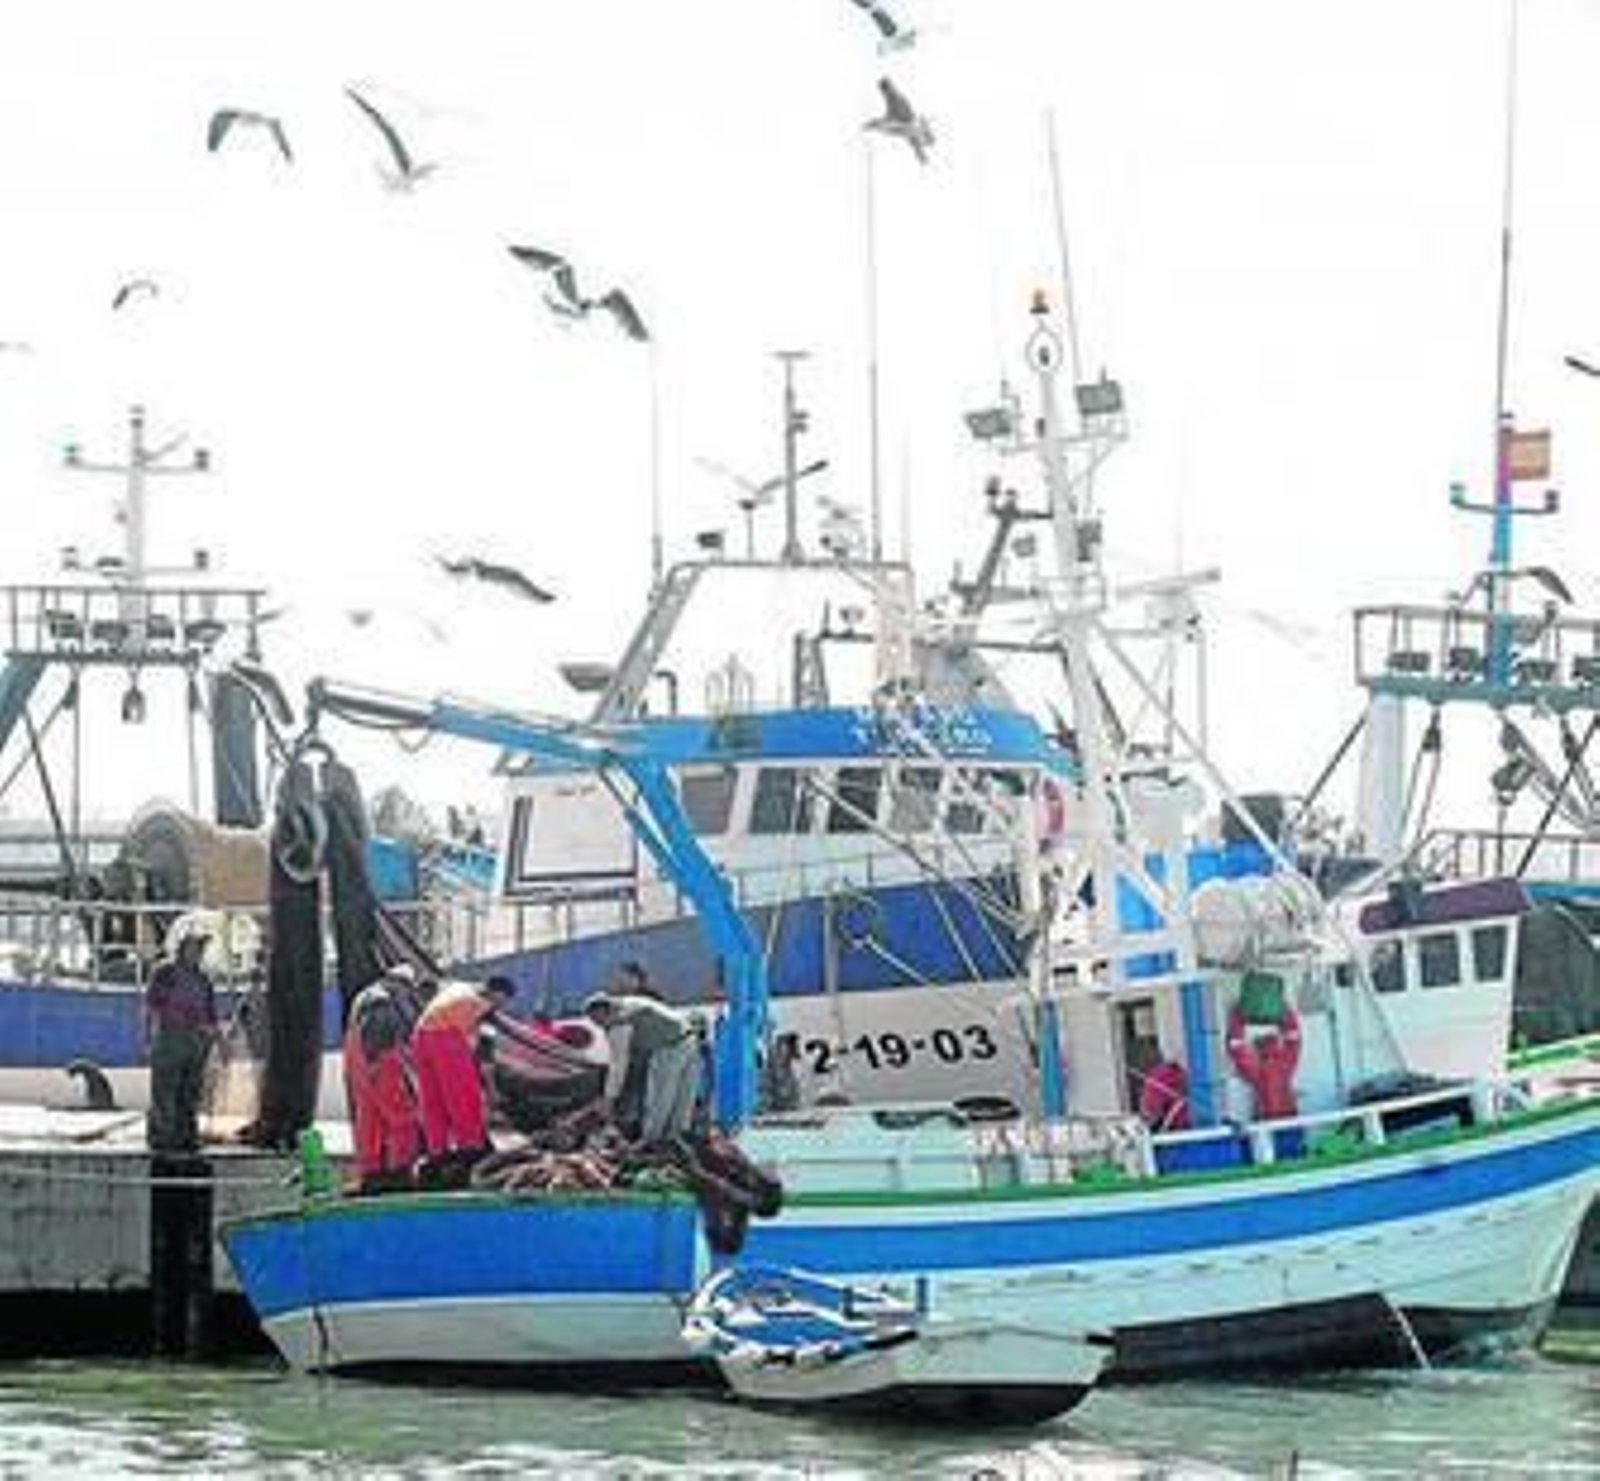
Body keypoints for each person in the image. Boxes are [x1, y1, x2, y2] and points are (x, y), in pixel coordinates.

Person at [343, 963, 434, 1191]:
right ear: (402, 983)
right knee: (404, 1119)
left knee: (370, 1124)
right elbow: (381, 1032)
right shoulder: (383, 999)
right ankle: (399, 1174)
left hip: (361, 1067)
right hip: (382, 1063)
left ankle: (371, 1175)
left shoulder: (364, 996)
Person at [411, 976, 518, 1168]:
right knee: (464, 1097)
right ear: (499, 994)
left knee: (433, 1101)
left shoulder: (458, 987)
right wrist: (490, 1086)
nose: (503, 1005)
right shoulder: (484, 1006)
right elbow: (486, 1052)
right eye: (505, 1000)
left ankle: (437, 1152)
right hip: (446, 1037)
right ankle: (471, 1150)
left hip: (420, 1036)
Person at [586, 985, 703, 1143]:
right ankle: (677, 1138)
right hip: (690, 1039)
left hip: (668, 1047)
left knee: (660, 1098)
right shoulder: (631, 1002)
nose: (599, 1026)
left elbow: (618, 1065)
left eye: (597, 1020)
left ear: (603, 1011)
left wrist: (609, 1099)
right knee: (682, 1100)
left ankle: (650, 1141)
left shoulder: (619, 1022)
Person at [145, 925, 219, 1154]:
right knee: (165, 1091)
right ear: (183, 949)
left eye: (202, 948)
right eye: (196, 947)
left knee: (190, 1091)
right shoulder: (164, 972)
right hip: (170, 1037)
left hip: (196, 1041)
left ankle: (187, 1136)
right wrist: (149, 1039)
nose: (199, 952)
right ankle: (162, 1137)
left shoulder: (203, 979)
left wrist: (214, 1037)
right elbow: (152, 1008)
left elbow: (210, 1014)